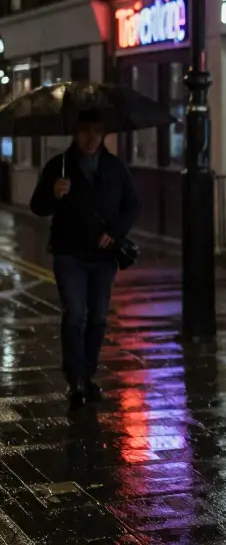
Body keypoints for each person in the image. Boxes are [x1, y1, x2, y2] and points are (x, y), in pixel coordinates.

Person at [29, 109, 139, 408]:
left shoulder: (114, 168)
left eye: (96, 131)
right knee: (75, 314)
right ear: (76, 133)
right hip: (69, 254)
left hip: (103, 257)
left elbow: (132, 205)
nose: (91, 138)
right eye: (85, 131)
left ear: (103, 133)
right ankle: (75, 378)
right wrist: (53, 193)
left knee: (99, 318)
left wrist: (115, 232)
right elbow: (38, 206)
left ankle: (87, 374)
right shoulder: (60, 166)